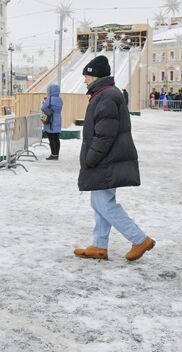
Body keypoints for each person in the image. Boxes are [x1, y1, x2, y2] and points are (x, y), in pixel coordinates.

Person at [74, 55, 155, 261]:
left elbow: (105, 134)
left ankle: (139, 239)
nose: (84, 80)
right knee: (99, 202)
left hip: (106, 161)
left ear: (95, 76)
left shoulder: (106, 96)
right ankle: (99, 245)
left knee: (104, 203)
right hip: (108, 160)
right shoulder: (104, 94)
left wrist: (91, 159)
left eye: (86, 76)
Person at [40, 84, 63, 160]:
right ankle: (57, 155)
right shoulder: (60, 99)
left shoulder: (49, 99)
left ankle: (53, 155)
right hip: (58, 119)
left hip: (51, 120)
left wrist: (44, 102)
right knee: (56, 138)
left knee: (51, 138)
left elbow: (43, 108)